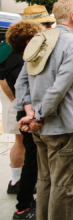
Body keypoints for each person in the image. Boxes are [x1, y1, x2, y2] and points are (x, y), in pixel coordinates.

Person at [16, 0, 73, 220]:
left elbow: (22, 81)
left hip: (40, 129)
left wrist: (30, 112)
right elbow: (60, 87)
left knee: (45, 181)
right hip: (63, 128)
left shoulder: (40, 39)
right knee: (64, 187)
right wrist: (37, 115)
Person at [1, 20, 44, 219]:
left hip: (25, 114)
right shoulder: (20, 63)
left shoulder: (15, 58)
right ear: (28, 42)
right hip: (27, 115)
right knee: (31, 162)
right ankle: (23, 207)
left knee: (32, 159)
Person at [0, 38, 25, 195]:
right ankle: (16, 181)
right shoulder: (10, 44)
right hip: (15, 97)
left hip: (18, 97)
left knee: (23, 141)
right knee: (20, 140)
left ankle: (19, 179)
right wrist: (13, 98)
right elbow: (2, 75)